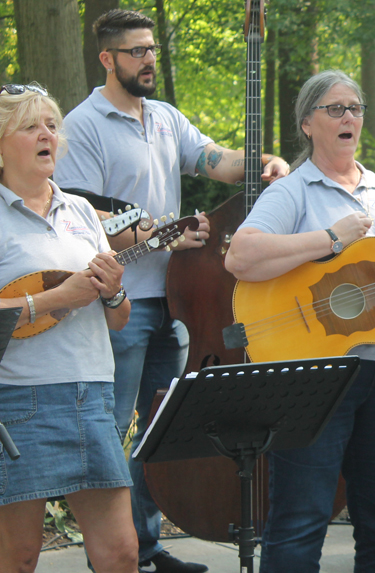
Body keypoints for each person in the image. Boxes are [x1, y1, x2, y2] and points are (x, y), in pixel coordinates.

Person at [53, 9, 289, 573]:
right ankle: (110, 553)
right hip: (119, 304)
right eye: (136, 51)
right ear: (108, 58)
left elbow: (212, 160)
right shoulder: (82, 125)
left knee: (161, 429)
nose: (149, 60)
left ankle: (147, 545)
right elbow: (81, 212)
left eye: (153, 49)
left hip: (181, 303)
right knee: (114, 427)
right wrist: (157, 236)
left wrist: (263, 163)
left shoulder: (163, 117)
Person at [225, 69, 375, 573]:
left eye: (356, 108)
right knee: (301, 520)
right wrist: (329, 238)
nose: (349, 116)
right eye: (336, 108)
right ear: (307, 123)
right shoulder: (292, 192)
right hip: (316, 377)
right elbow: (241, 257)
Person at [0, 84, 137, 573]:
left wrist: (113, 289)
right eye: (31, 126)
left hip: (92, 395)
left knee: (122, 554)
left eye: (53, 126)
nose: (47, 135)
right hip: (18, 401)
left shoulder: (81, 211)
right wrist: (60, 298)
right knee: (17, 558)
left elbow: (118, 320)